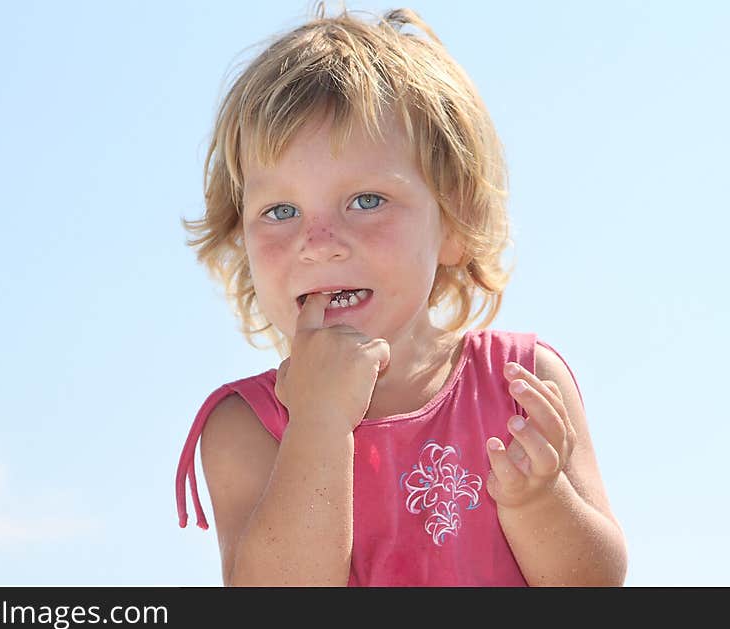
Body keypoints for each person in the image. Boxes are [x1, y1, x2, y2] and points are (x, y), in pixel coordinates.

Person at [175, 4, 627, 586]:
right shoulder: (246, 427)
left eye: (366, 201)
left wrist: (538, 501)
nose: (319, 244)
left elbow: (596, 585)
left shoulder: (522, 383)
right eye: (281, 211)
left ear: (455, 224)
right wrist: (318, 421)